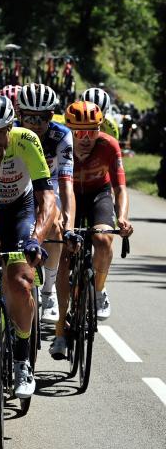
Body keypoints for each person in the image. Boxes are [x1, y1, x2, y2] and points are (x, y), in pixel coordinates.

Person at [0, 93, 56, 398]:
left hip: (20, 209)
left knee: (20, 279)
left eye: (0, 132)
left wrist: (36, 237)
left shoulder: (26, 141)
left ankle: (22, 359)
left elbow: (47, 196)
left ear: (11, 127)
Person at [51, 101, 134, 357]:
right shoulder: (60, 146)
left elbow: (120, 189)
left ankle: (98, 290)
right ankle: (60, 332)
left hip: (99, 195)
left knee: (103, 239)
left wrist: (122, 217)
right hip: (70, 196)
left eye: (91, 131)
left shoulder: (109, 145)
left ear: (100, 129)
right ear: (69, 130)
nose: (85, 138)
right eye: (78, 132)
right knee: (65, 255)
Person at [16, 83, 74, 324]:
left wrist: (69, 223)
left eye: (44, 117)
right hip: (19, 183)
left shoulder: (61, 135)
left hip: (50, 185)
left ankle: (48, 290)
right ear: (19, 115)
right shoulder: (12, 132)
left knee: (55, 226)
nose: (36, 123)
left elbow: (67, 183)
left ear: (52, 115)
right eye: (29, 117)